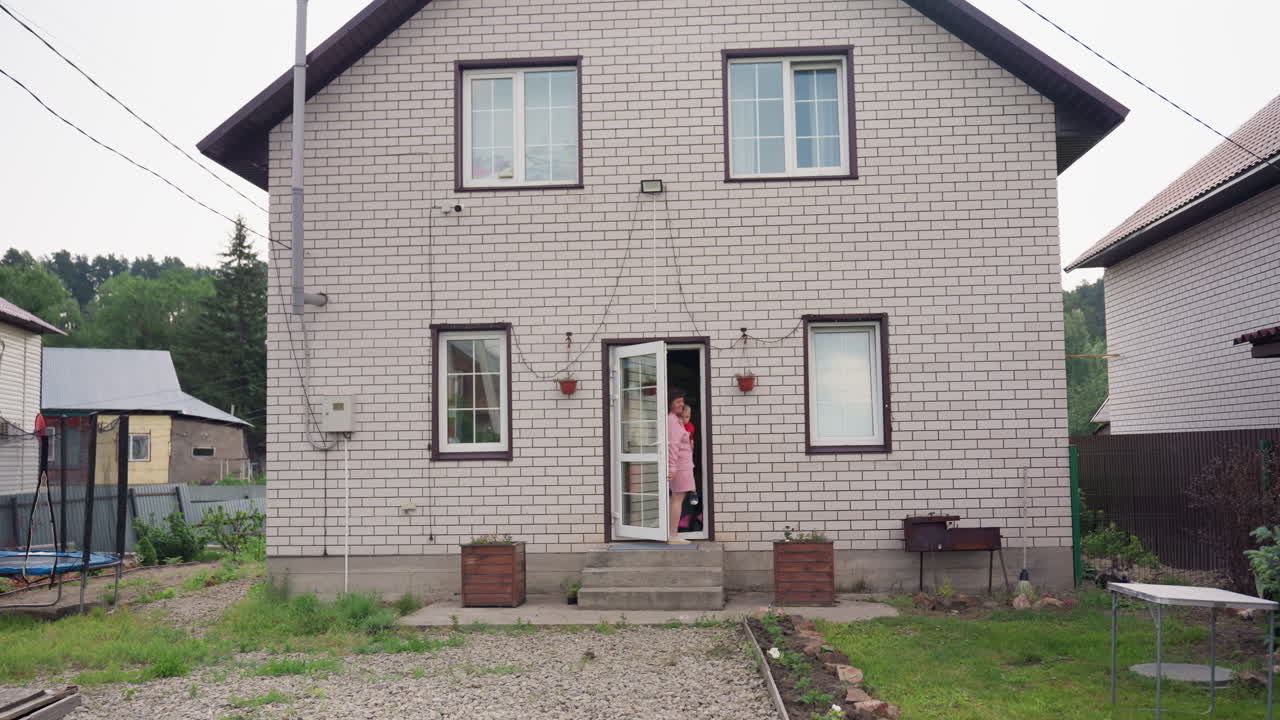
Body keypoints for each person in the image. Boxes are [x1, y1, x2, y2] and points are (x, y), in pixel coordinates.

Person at [666, 389, 694, 545]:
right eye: (678, 402)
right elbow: (673, 446)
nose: (681, 404)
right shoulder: (672, 420)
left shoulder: (677, 420)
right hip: (680, 467)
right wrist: (672, 468)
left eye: (682, 401)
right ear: (670, 403)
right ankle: (673, 535)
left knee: (676, 499)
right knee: (677, 499)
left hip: (683, 465)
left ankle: (672, 533)